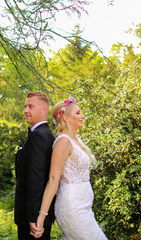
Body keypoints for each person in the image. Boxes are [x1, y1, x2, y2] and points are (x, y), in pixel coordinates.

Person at [34, 96, 108, 240]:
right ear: (66, 118)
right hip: (73, 209)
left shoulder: (75, 140)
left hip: (85, 207)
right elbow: (53, 179)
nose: (83, 116)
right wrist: (41, 217)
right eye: (78, 113)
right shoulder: (63, 142)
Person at [14, 92, 56, 240]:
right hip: (35, 215)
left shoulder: (38, 136)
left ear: (44, 110)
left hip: (33, 219)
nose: (25, 110)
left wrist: (34, 217)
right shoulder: (43, 134)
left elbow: (37, 178)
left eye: (31, 106)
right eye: (25, 106)